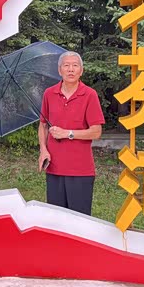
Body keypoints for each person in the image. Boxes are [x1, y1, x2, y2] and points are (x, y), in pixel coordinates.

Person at [38, 51, 105, 216]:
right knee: (56, 219)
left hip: (80, 170)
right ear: (59, 70)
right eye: (66, 65)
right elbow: (43, 125)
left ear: (81, 71)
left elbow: (96, 132)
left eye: (75, 65)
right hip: (54, 167)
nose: (70, 69)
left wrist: (68, 133)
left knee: (79, 220)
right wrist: (43, 150)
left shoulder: (89, 94)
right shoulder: (49, 94)